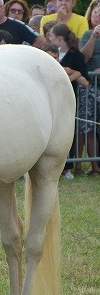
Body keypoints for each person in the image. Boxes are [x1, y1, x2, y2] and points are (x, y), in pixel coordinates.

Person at [47, 23, 89, 180]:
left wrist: (72, 74)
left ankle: (68, 167)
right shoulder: (48, 53)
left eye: (51, 35)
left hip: (67, 98)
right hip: (51, 97)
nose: (49, 38)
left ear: (58, 38)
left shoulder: (75, 55)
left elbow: (85, 79)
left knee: (65, 132)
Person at [77, 0, 100, 176]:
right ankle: (93, 166)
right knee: (88, 126)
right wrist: (94, 36)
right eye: (95, 13)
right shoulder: (86, 34)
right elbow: (83, 58)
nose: (98, 16)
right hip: (90, 85)